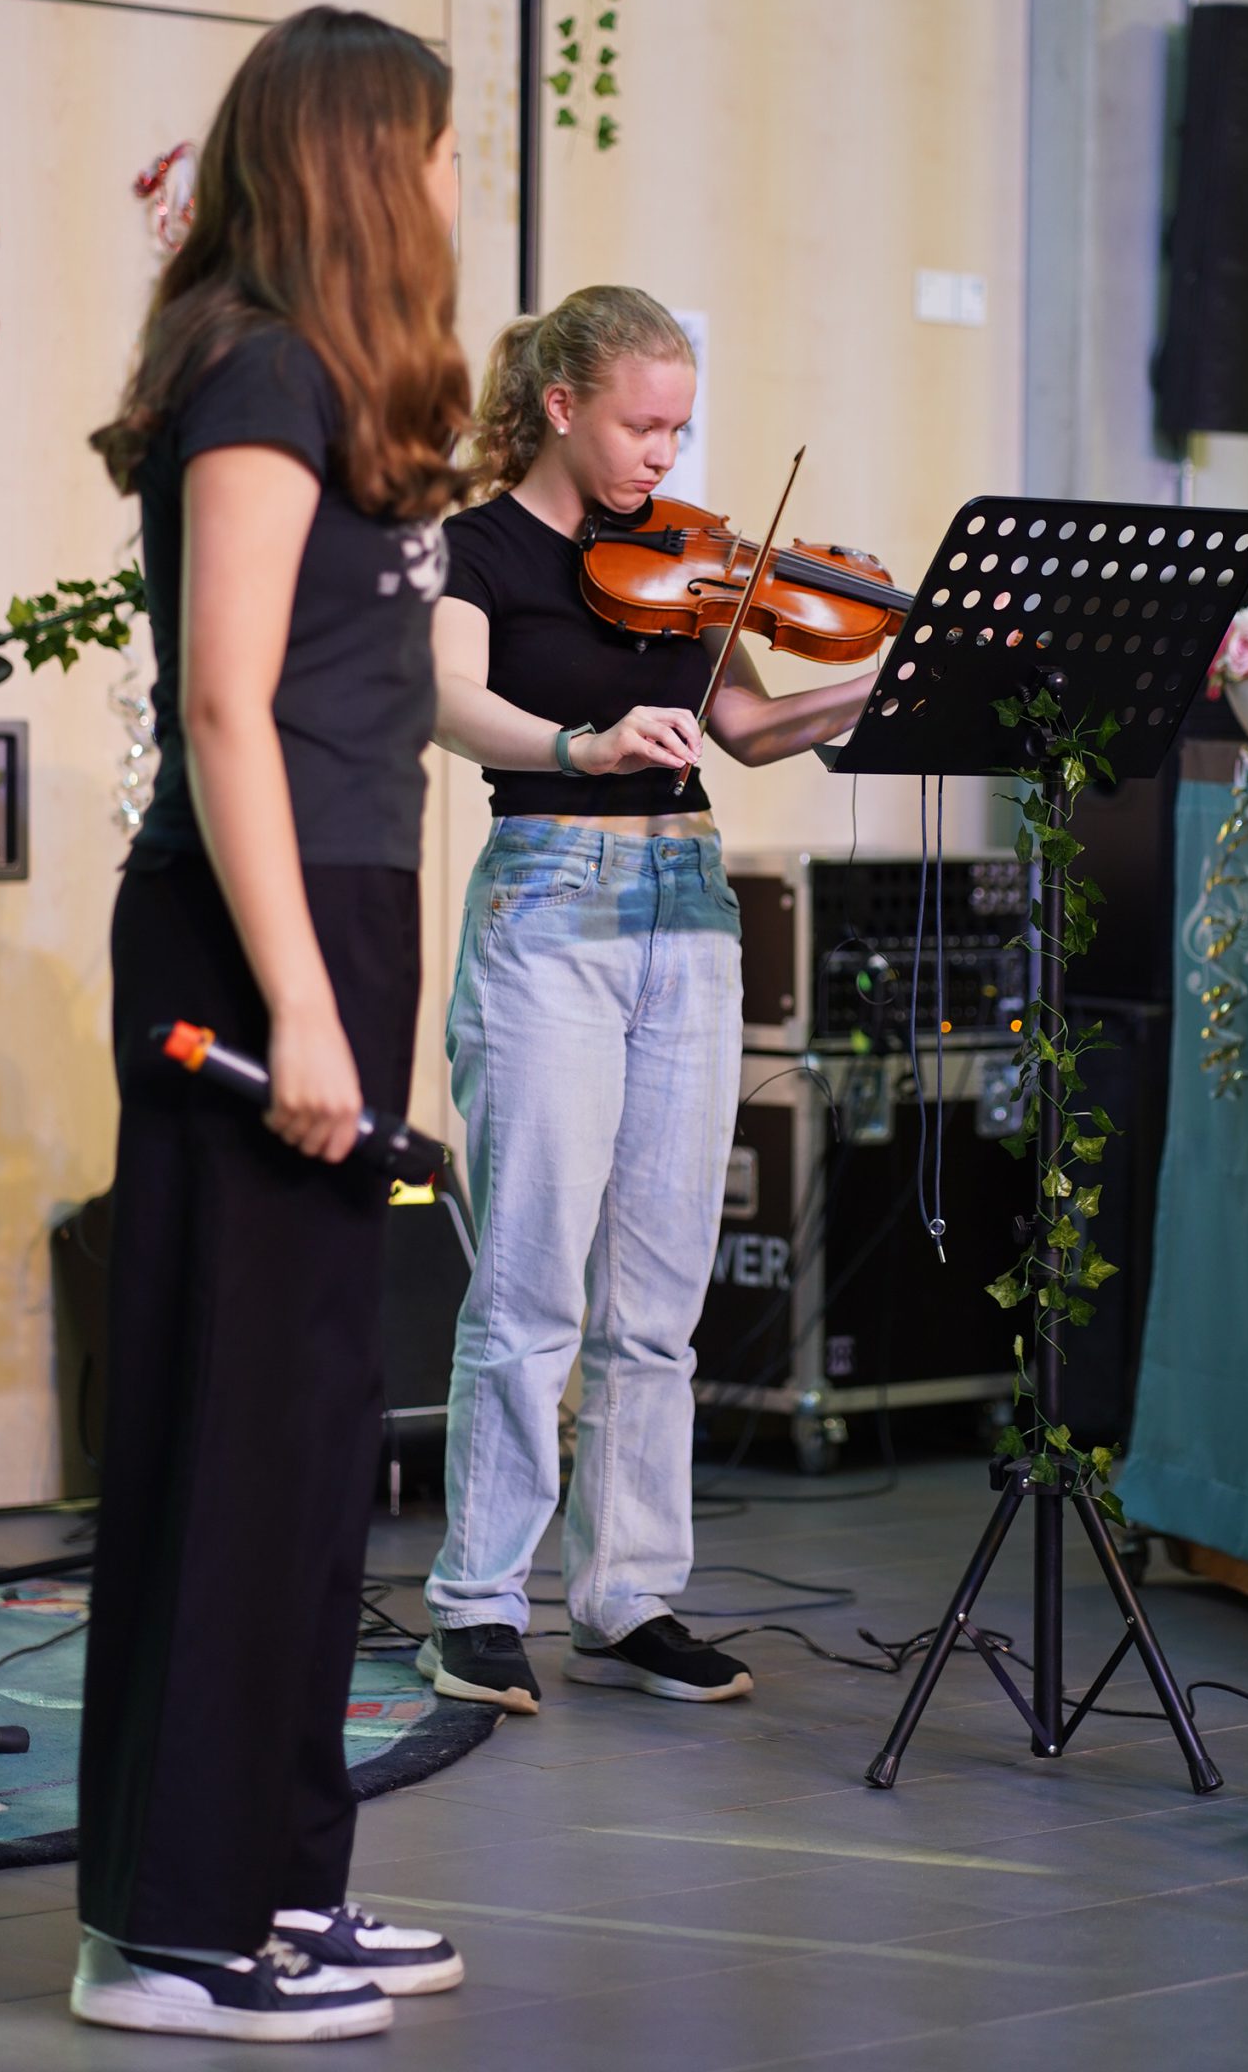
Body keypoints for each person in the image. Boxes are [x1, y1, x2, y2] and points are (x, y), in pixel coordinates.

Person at [74, 6, 472, 2042]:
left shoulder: (337, 383)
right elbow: (224, 703)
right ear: (360, 162)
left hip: (337, 913)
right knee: (234, 1433)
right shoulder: (252, 367)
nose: (457, 184)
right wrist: (303, 1005)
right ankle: (167, 1928)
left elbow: (380, 677)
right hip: (251, 937)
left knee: (313, 1439)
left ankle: (279, 1878)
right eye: (440, 148)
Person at [419, 286, 873, 1714]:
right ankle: (477, 1601)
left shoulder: (687, 556)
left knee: (660, 1294)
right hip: (551, 903)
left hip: (688, 908)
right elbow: (449, 701)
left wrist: (883, 682)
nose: (665, 456)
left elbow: (751, 729)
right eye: (642, 427)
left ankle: (626, 1599)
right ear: (562, 407)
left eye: (680, 427)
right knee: (531, 1280)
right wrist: (584, 741)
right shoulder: (476, 547)